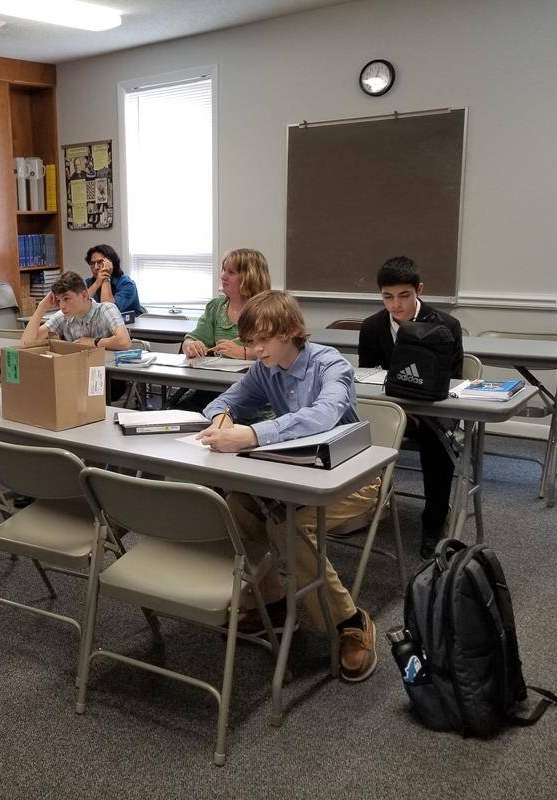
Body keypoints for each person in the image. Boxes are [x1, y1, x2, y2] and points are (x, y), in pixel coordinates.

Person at [196, 290, 379, 683]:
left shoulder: (331, 364)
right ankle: (275, 602)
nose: (255, 349)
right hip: (296, 477)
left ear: (292, 331)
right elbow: (226, 401)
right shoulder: (265, 369)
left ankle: (350, 620)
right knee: (238, 503)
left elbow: (323, 416)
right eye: (249, 341)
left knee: (285, 524)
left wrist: (252, 435)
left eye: (264, 339)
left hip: (352, 480)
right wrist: (223, 419)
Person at [358, 256, 463, 558]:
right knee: (355, 427)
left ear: (419, 290)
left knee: (436, 443)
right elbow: (369, 379)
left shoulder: (446, 326)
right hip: (392, 408)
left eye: (404, 296)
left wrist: (414, 410)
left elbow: (453, 382)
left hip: (434, 411)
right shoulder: (372, 327)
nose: (396, 305)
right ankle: (362, 505)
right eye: (388, 297)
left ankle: (433, 522)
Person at [182, 248, 271, 360]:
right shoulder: (215, 307)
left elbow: (277, 353)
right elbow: (192, 338)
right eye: (224, 270)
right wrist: (190, 345)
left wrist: (243, 353)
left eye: (231, 272)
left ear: (250, 277)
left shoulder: (269, 311)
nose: (223, 276)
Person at [21, 270, 132, 350]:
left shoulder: (106, 309)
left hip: (108, 375)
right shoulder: (62, 316)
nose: (62, 306)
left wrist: (93, 342)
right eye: (59, 300)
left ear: (84, 296)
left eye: (66, 299)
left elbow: (124, 342)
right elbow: (26, 344)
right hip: (79, 373)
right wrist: (42, 307)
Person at [83, 244, 141, 317]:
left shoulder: (127, 284)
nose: (96, 267)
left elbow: (108, 312)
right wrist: (97, 283)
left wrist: (105, 279)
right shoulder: (88, 282)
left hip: (127, 327)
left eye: (100, 262)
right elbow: (79, 306)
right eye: (92, 263)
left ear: (111, 263)